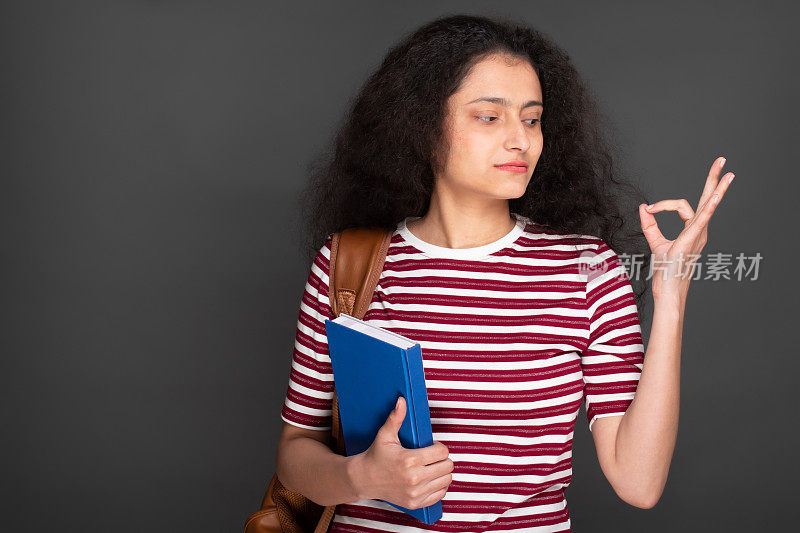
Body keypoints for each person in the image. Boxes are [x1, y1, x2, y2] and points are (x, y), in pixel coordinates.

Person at [274, 14, 733, 533]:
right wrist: (362, 478)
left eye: (532, 119)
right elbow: (295, 451)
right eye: (489, 117)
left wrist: (670, 297)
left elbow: (639, 482)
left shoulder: (588, 268)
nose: (521, 140)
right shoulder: (346, 266)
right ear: (422, 129)